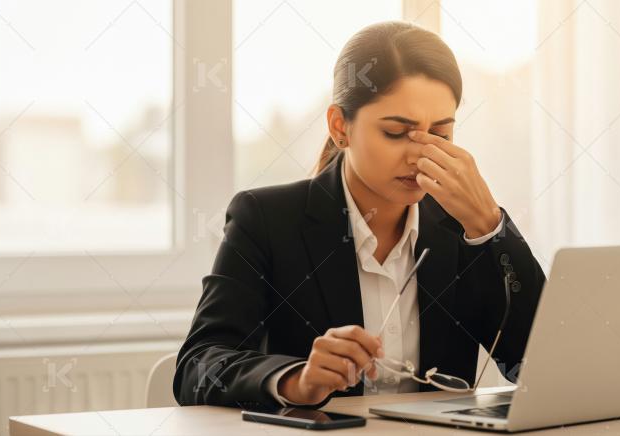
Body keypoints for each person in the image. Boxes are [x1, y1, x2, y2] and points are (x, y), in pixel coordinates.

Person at [173, 20, 546, 409]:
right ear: (340, 127)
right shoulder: (266, 220)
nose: (420, 155)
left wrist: (489, 225)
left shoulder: (463, 230)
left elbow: (537, 366)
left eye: (440, 134)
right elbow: (198, 367)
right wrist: (295, 380)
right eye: (396, 133)